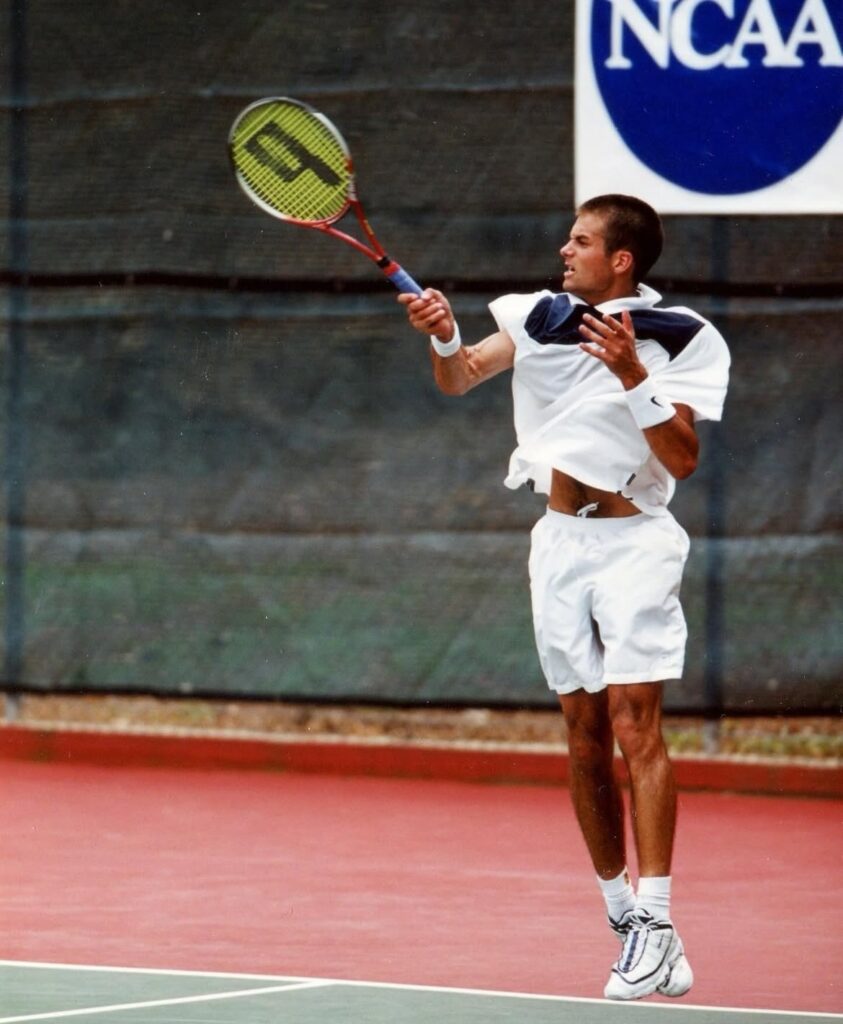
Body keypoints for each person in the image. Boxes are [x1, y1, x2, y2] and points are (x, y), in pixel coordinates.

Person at [398, 194, 730, 1002]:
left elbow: (681, 459)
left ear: (621, 259)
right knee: (583, 737)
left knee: (632, 726)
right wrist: (443, 335)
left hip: (634, 543)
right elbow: (460, 376)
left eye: (580, 241)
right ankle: (628, 923)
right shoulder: (538, 316)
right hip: (557, 545)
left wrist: (628, 372)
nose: (563, 249)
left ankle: (655, 916)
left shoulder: (680, 335)